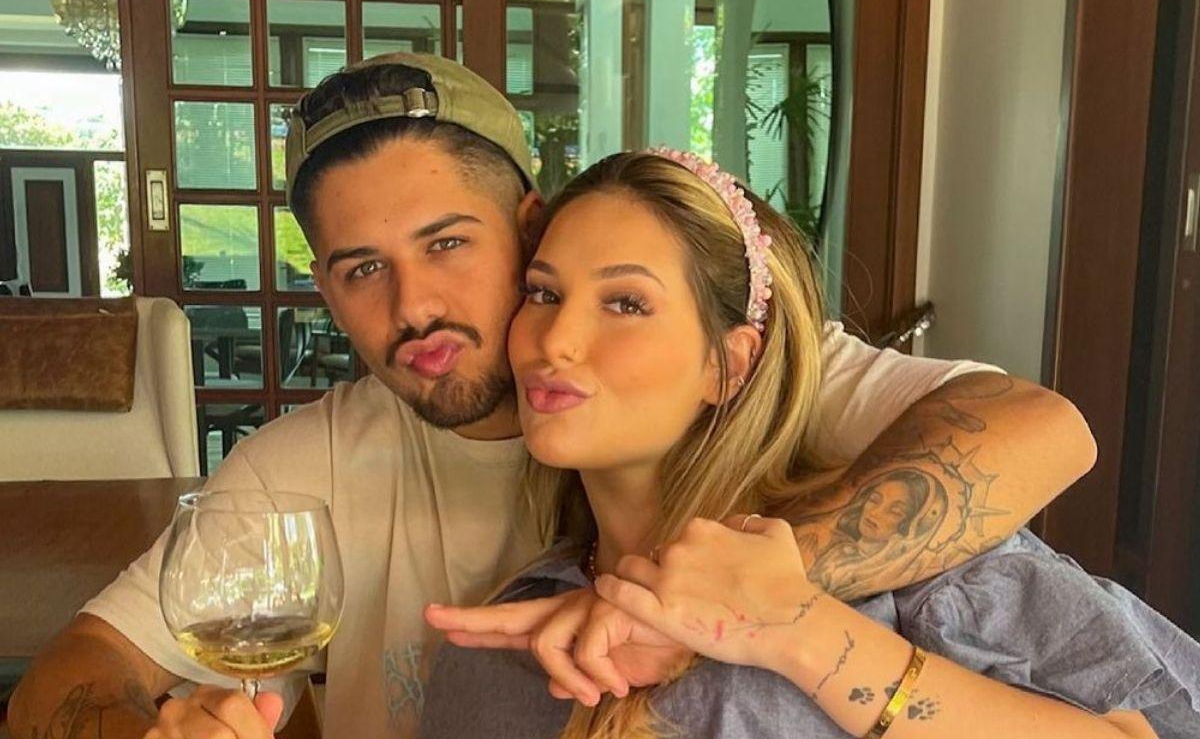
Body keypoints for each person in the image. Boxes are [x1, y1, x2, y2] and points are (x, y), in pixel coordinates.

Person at [9, 54, 1096, 739]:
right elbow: (67, 676)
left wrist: (749, 591)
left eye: (448, 243)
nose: (414, 305)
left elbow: (1042, 428)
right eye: (361, 268)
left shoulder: (741, 374)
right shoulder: (313, 472)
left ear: (532, 225)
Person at [419, 149, 1199, 738]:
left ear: (729, 365)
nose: (555, 339)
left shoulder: (913, 571)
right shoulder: (504, 644)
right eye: (543, 293)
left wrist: (802, 632)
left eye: (626, 303)